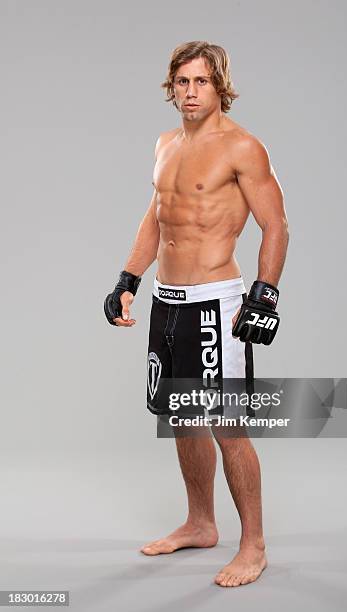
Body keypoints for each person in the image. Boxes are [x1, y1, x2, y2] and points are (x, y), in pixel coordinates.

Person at [104, 41, 289, 587]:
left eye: (201, 82)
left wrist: (265, 293)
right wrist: (128, 279)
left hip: (216, 303)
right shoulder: (165, 145)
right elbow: (157, 217)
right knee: (181, 418)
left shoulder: (242, 147)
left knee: (227, 425)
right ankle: (200, 523)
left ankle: (253, 545)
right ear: (171, 86)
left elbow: (276, 225)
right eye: (182, 82)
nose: (190, 91)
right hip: (168, 302)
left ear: (220, 86)